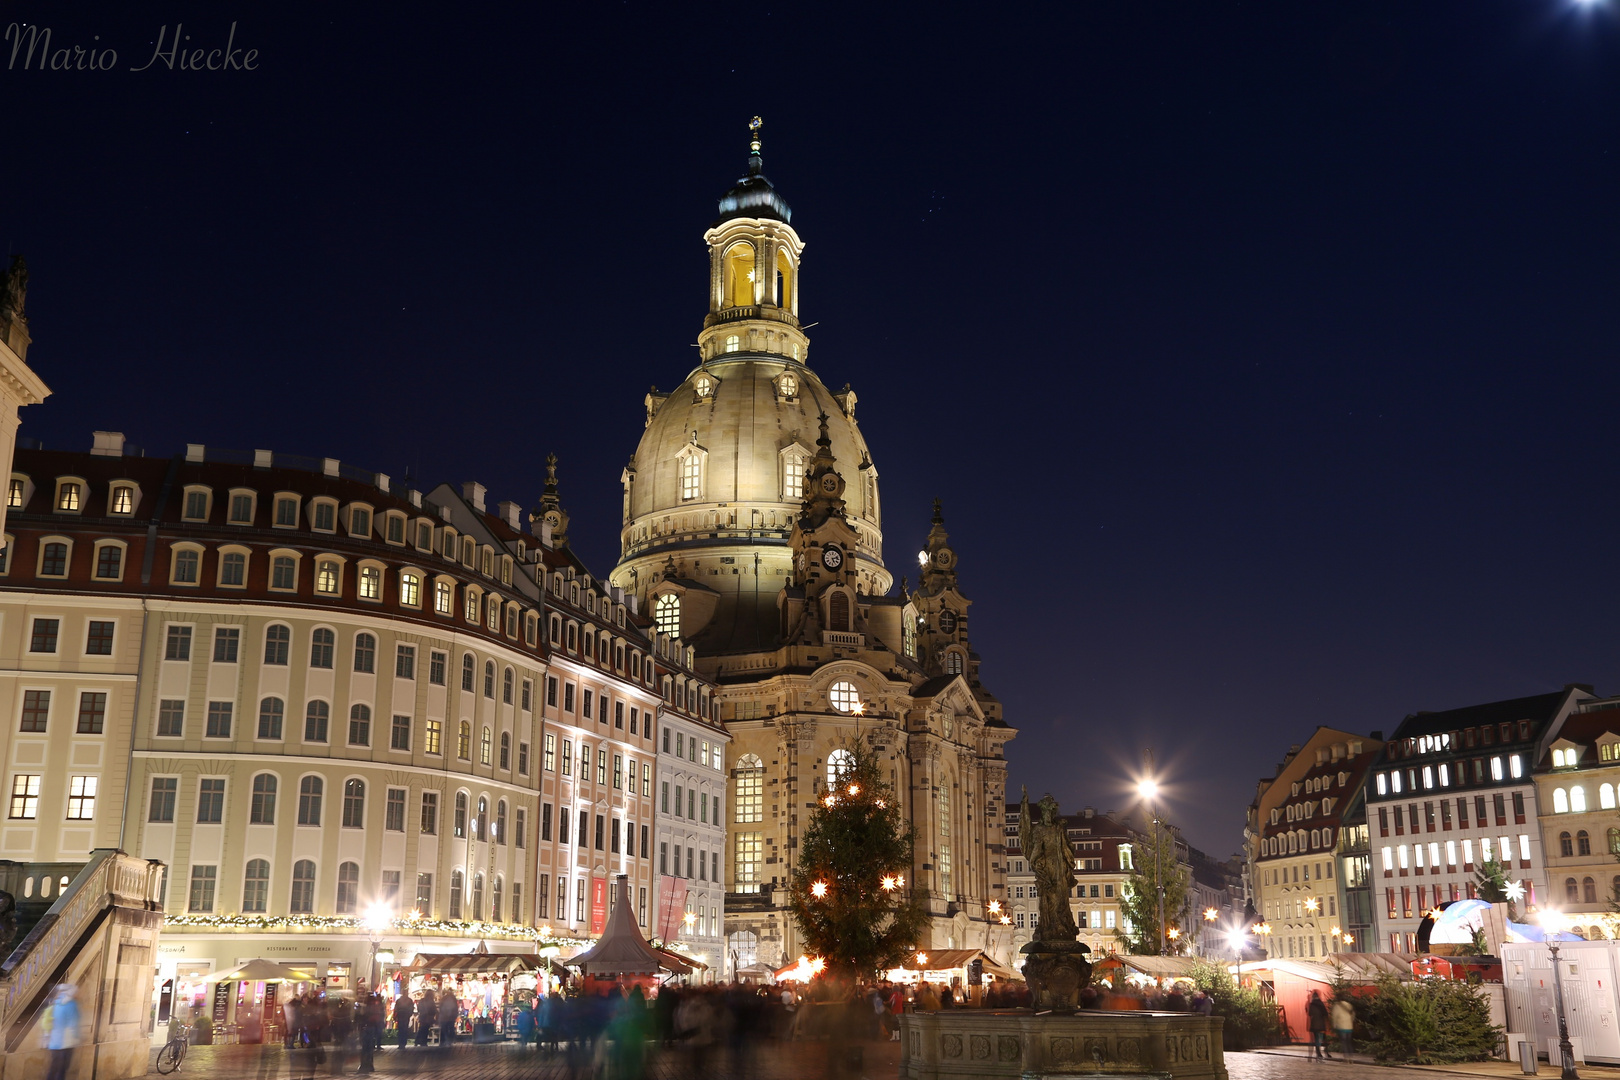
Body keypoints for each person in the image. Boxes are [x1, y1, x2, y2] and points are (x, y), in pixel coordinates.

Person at [42, 984, 80, 1080]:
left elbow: (45, 1023)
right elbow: (74, 1023)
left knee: (53, 1068)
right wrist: (77, 1037)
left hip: (54, 1043)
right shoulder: (71, 1005)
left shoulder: (54, 1004)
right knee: (62, 1069)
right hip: (66, 1043)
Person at [1305, 989, 1331, 1059]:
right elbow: (1325, 1013)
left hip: (1314, 1024)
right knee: (1324, 1038)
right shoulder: (1321, 1003)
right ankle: (1327, 1053)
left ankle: (1318, 1053)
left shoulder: (1311, 1004)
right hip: (1321, 1023)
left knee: (1316, 1039)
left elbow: (1309, 1013)